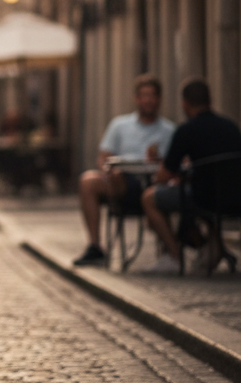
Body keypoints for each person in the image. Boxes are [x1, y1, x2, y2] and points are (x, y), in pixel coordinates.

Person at [140, 78, 241, 273]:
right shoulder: (231, 126)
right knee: (205, 195)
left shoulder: (186, 130)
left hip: (204, 199)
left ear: (185, 103)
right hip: (235, 197)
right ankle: (214, 247)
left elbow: (164, 175)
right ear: (210, 100)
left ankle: (174, 255)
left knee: (149, 198)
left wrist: (162, 165)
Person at [73, 74, 176, 267]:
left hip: (156, 182)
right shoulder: (120, 125)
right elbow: (104, 156)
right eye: (144, 95)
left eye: (152, 95)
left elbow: (176, 163)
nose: (148, 100)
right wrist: (108, 170)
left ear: (159, 99)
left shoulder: (169, 130)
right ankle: (95, 246)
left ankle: (174, 249)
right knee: (87, 181)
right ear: (136, 98)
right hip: (123, 183)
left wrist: (160, 161)